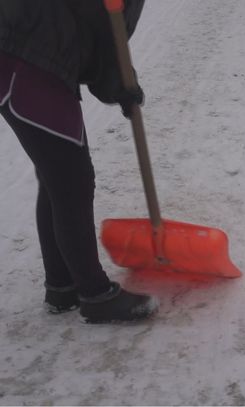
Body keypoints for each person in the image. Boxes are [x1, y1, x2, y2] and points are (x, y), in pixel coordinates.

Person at [0, 0, 158, 322]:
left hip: (29, 56)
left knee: (57, 174)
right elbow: (105, 32)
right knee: (72, 182)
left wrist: (122, 87)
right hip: (30, 59)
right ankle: (95, 294)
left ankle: (62, 286)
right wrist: (120, 86)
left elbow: (100, 31)